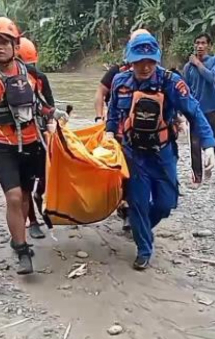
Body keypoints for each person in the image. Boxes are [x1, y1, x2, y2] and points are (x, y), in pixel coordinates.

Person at [0, 17, 69, 275]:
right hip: (2, 146)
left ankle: (29, 226)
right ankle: (22, 250)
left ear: (15, 45)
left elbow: (43, 105)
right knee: (14, 196)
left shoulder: (32, 75)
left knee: (29, 194)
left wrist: (55, 114)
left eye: (4, 42)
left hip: (33, 145)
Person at [105, 33, 215, 270]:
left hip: (162, 153)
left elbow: (194, 112)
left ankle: (142, 226)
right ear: (130, 60)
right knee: (137, 203)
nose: (145, 66)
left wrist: (209, 145)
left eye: (150, 61)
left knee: (166, 203)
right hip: (133, 154)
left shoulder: (170, 82)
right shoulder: (120, 82)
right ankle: (144, 248)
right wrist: (108, 133)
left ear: (157, 60)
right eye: (139, 61)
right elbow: (114, 111)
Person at [93, 28, 151, 232]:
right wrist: (101, 118)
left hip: (145, 134)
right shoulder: (116, 73)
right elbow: (100, 93)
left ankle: (134, 208)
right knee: (124, 171)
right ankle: (125, 208)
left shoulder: (153, 73)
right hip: (118, 131)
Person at [18, 36, 55, 239]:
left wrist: (52, 117)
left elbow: (49, 103)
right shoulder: (8, 80)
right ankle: (32, 221)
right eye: (27, 66)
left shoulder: (40, 77)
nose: (30, 70)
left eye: (32, 66)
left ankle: (40, 196)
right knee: (24, 182)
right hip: (19, 137)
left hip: (39, 134)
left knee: (45, 175)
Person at [183, 33, 215, 184]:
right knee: (194, 144)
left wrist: (198, 63)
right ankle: (197, 177)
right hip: (194, 111)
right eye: (197, 43)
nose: (200, 46)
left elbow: (211, 77)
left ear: (209, 46)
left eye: (203, 43)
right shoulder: (188, 67)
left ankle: (209, 166)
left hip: (211, 109)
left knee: (212, 141)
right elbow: (185, 89)